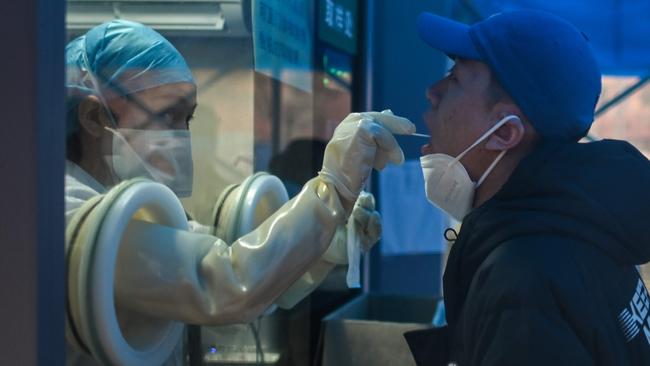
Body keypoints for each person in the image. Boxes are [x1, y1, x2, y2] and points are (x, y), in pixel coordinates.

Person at [64, 20, 412, 364]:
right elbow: (226, 283)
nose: (182, 138)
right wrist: (332, 190)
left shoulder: (126, 211)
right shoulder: (68, 213)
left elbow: (250, 272)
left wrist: (326, 247)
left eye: (188, 120)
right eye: (169, 115)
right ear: (95, 116)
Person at [402, 10, 650, 365]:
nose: (432, 92)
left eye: (454, 78)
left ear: (504, 132)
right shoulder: (582, 227)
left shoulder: (521, 283)